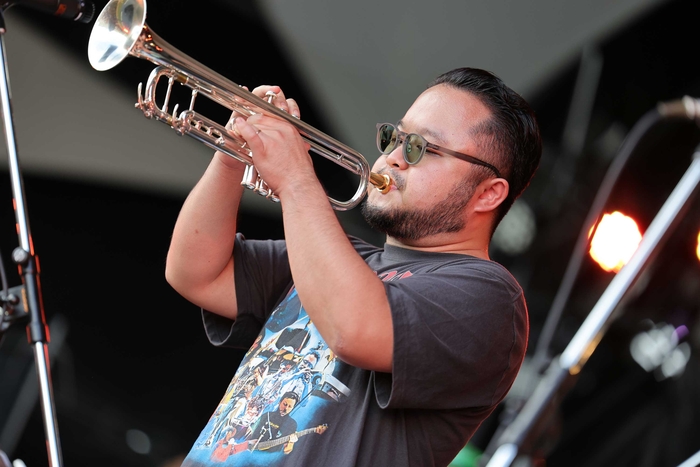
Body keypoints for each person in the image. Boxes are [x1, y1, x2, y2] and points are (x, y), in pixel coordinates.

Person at [165, 67, 542, 466]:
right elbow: (196, 273)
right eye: (396, 137)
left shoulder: (490, 297)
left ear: (488, 194)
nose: (393, 158)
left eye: (421, 148)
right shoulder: (342, 255)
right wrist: (233, 153)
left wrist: (295, 178)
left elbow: (353, 331)